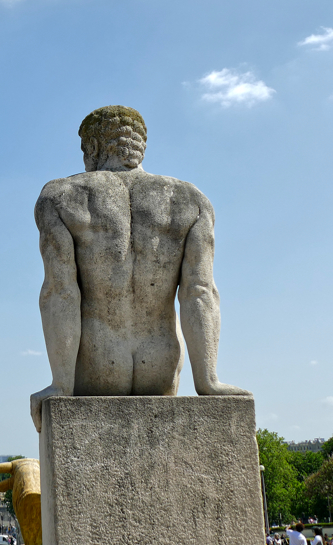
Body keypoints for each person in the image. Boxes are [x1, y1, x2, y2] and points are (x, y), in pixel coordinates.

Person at [30, 106, 248, 430]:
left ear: (92, 147)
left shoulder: (61, 197)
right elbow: (200, 292)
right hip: (159, 368)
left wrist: (60, 384)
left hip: (94, 366)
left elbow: (60, 291)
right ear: (139, 145)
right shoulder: (192, 200)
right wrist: (208, 382)